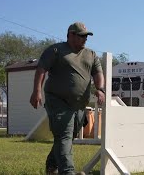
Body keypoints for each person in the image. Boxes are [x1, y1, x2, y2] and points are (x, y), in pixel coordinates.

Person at [29, 22, 105, 175]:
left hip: (78, 105)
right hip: (57, 100)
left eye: (86, 36)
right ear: (70, 35)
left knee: (68, 137)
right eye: (81, 36)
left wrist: (100, 89)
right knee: (64, 135)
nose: (85, 39)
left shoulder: (91, 54)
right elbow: (41, 69)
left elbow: (98, 73)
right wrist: (36, 91)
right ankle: (68, 172)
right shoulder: (56, 50)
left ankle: (52, 167)